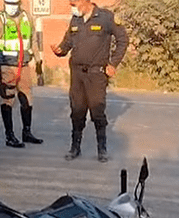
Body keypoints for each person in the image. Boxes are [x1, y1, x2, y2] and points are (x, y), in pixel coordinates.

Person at [51, 0, 128, 162]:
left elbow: (123, 40)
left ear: (85, 2)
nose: (72, 7)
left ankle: (102, 149)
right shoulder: (76, 20)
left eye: (74, 4)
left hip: (96, 74)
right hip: (77, 74)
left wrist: (113, 63)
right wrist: (59, 51)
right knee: (77, 111)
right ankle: (75, 148)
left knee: (97, 112)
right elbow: (67, 43)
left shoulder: (106, 18)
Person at [0, 0, 44, 148]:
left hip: (24, 65)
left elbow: (32, 41)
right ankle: (10, 135)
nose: (11, 6)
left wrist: (39, 62)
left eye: (14, 3)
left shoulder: (27, 18)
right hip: (7, 67)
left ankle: (27, 132)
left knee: (27, 98)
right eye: (9, 3)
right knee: (8, 100)